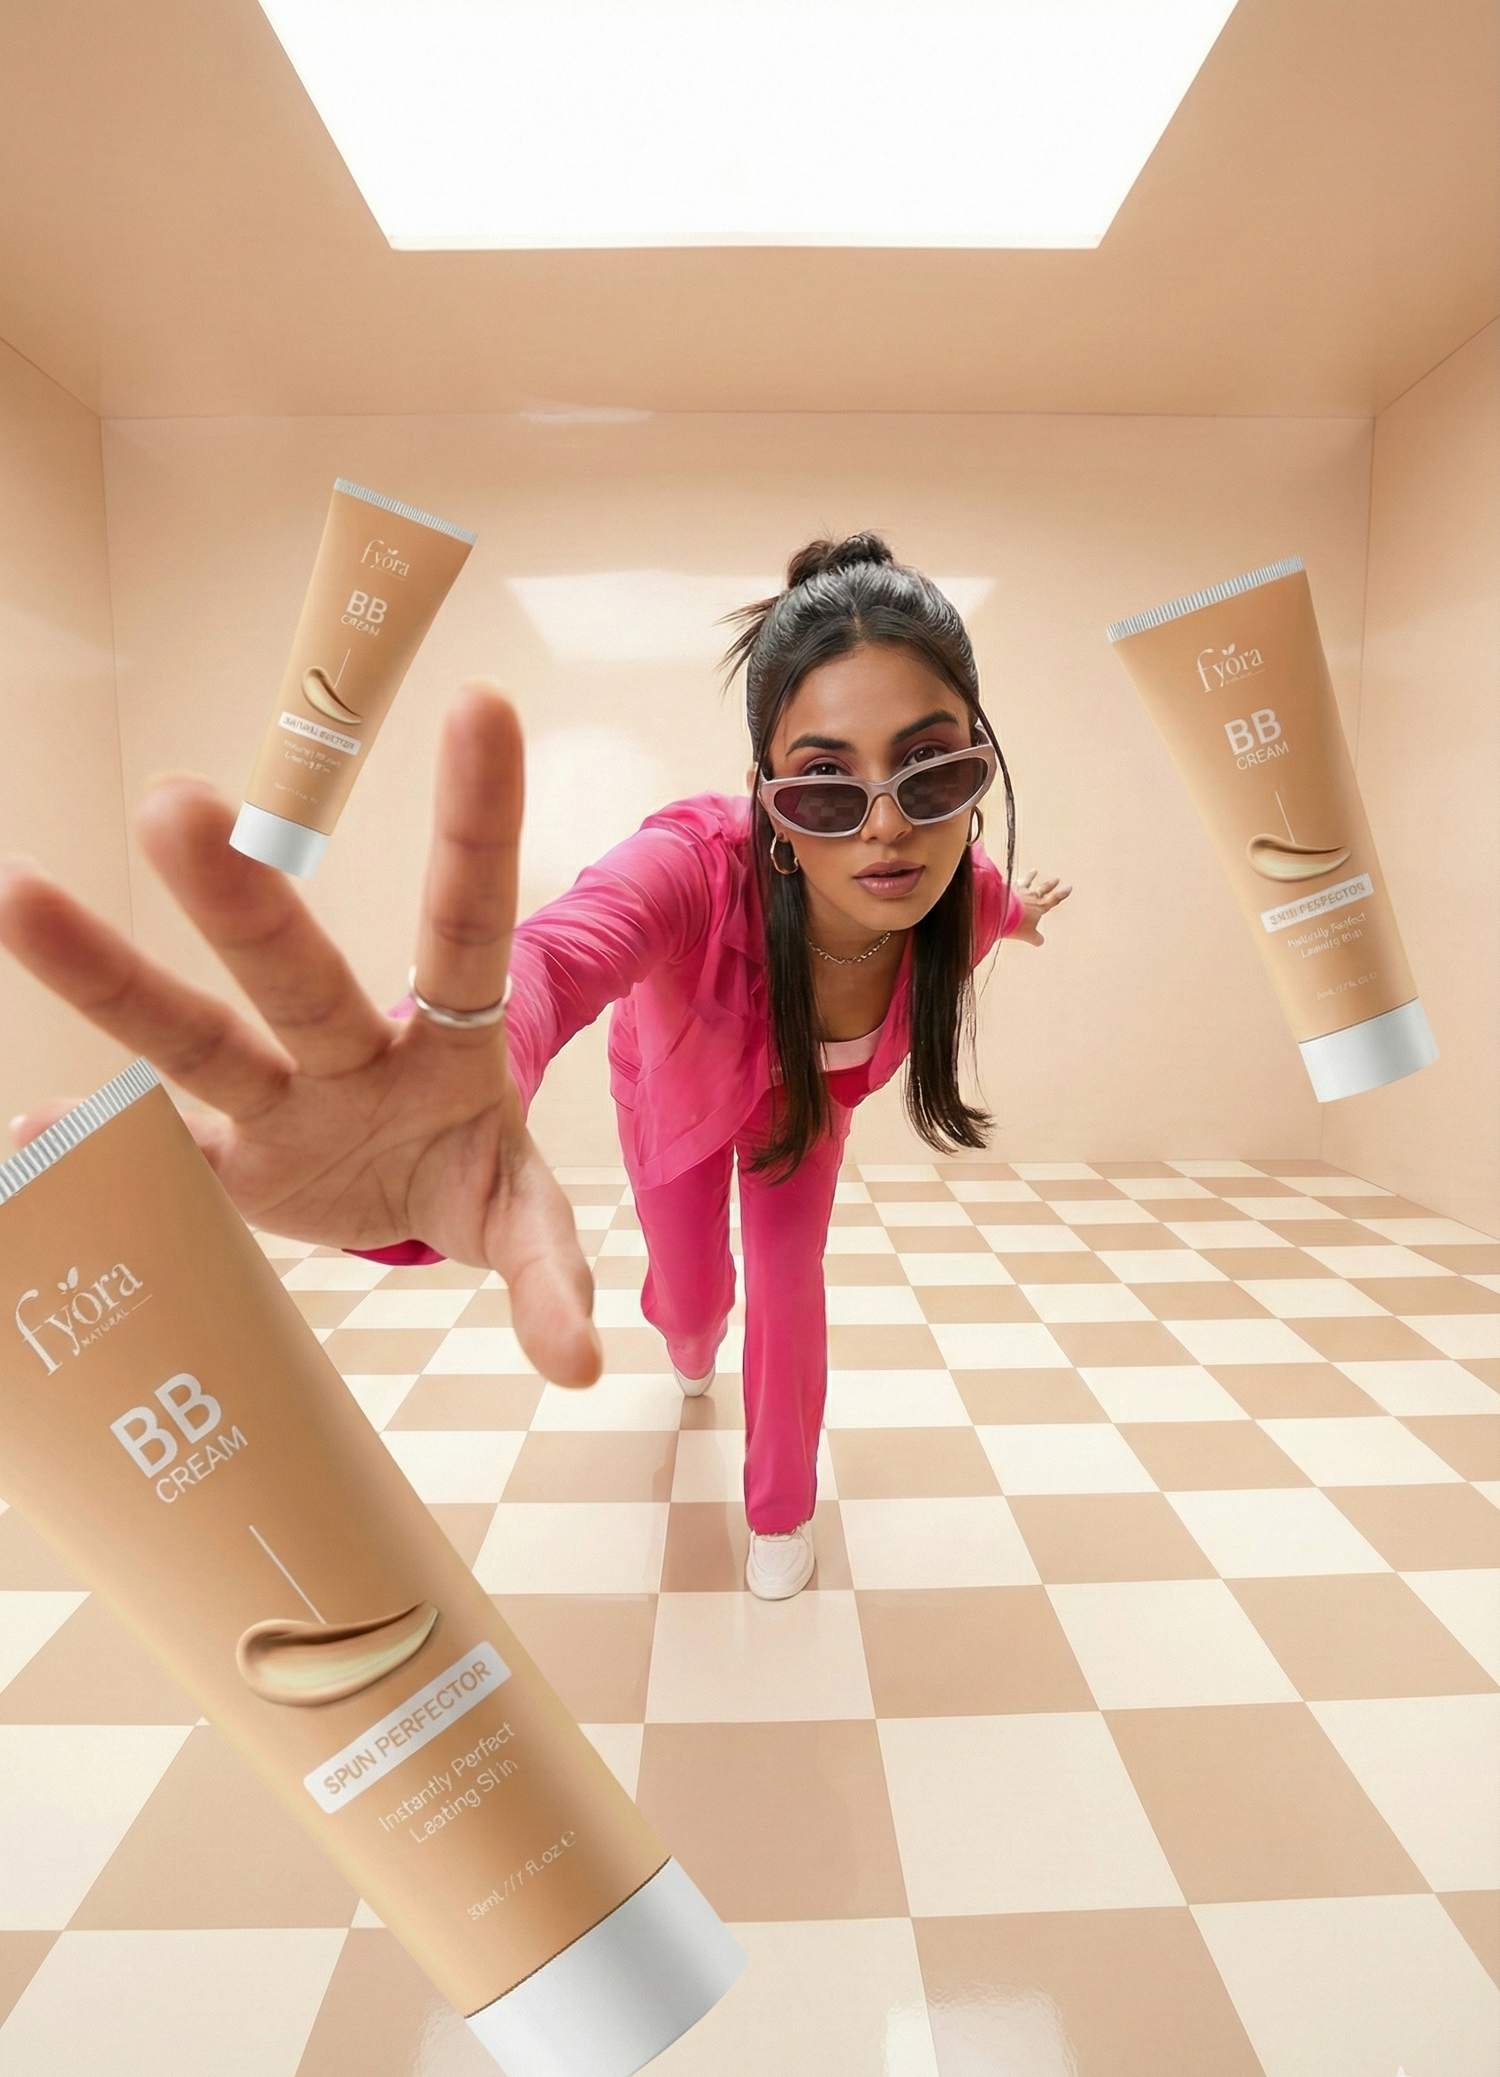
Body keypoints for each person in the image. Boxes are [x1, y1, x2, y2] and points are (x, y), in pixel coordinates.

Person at [0, 534, 1070, 1600]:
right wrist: (463, 1061)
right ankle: (687, 1334)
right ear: (769, 799)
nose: (887, 826)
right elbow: (556, 953)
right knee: (694, 1303)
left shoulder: (954, 893)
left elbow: (991, 897)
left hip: (801, 1127)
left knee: (789, 1286)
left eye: (933, 770)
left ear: (979, 762)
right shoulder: (694, 864)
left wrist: (1021, 915)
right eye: (827, 787)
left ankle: (782, 1507)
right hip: (677, 1104)